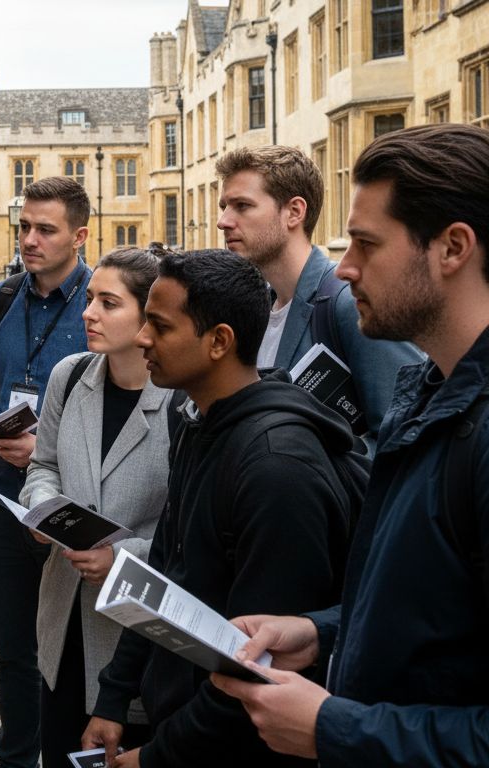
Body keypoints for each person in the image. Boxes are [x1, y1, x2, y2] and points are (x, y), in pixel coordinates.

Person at [211, 124, 489, 766]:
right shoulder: (427, 386)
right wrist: (320, 633)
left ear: (452, 248)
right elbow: (423, 607)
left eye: (366, 243)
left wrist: (335, 730)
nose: (344, 267)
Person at [83, 250, 355, 768]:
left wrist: (155, 757)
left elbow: (254, 671)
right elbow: (158, 578)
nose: (142, 339)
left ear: (219, 342)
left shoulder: (277, 470)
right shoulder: (195, 427)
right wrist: (115, 697)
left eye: (159, 327)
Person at [18, 248, 169, 768]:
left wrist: (123, 556)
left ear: (149, 316)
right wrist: (41, 511)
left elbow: (195, 530)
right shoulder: (69, 375)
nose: (89, 313)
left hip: (135, 632)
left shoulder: (181, 400)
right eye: (89, 300)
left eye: (109, 302)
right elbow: (43, 466)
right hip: (63, 617)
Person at [0, 176, 91, 768]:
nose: (30, 240)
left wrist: (49, 443)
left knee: (70, 651)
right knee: (13, 649)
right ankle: (16, 757)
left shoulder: (103, 302)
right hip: (5, 497)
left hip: (75, 505)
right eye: (25, 228)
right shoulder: (1, 298)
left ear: (80, 236)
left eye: (46, 230)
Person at [215, 146, 420, 443]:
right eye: (224, 207)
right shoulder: (254, 311)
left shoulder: (351, 303)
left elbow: (406, 438)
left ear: (294, 212)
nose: (224, 221)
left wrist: (315, 472)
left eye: (242, 206)